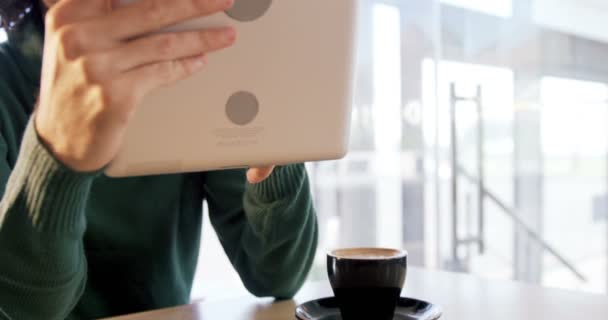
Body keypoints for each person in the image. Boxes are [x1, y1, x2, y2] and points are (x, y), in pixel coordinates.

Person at [0, 0, 318, 319]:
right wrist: (57, 154)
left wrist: (271, 137)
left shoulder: (193, 68)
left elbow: (277, 275)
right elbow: (25, 308)